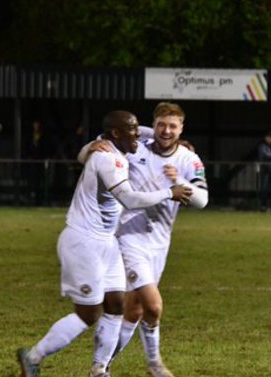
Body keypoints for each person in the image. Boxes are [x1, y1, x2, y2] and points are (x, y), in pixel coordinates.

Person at [16, 110, 192, 377]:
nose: (139, 135)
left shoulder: (116, 147)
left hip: (106, 242)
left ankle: (99, 370)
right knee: (88, 314)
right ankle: (33, 357)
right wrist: (170, 192)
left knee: (116, 306)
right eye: (133, 131)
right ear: (116, 134)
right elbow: (130, 199)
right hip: (83, 241)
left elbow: (143, 135)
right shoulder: (108, 159)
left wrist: (88, 145)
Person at [79, 102, 209, 377]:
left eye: (173, 126)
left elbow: (202, 200)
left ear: (182, 128)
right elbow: (84, 157)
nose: (166, 130)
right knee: (153, 304)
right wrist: (93, 144)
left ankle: (101, 366)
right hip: (129, 235)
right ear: (153, 124)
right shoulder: (136, 147)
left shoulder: (189, 159)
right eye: (161, 124)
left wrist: (181, 185)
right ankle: (153, 364)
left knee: (135, 310)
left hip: (160, 242)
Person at [25, 120, 55, 205]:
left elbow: (48, 147)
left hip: (42, 162)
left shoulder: (45, 136)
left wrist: (46, 157)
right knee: (34, 181)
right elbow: (27, 147)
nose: (35, 127)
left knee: (44, 181)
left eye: (37, 125)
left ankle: (45, 200)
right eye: (34, 125)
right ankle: (35, 200)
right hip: (33, 162)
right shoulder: (30, 136)